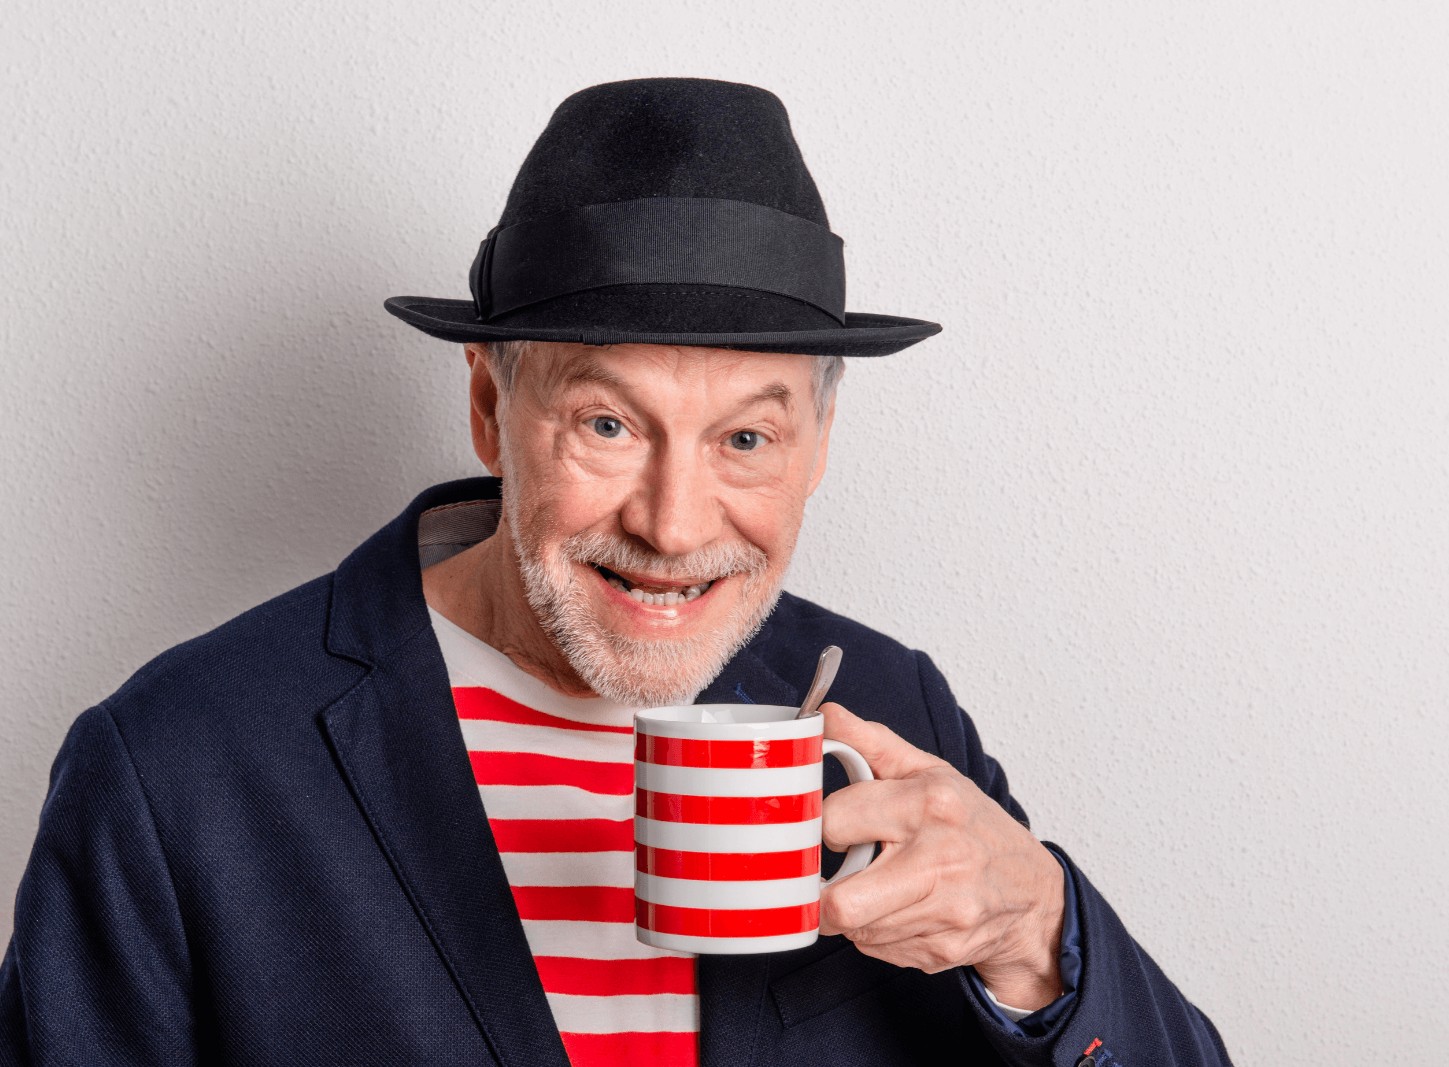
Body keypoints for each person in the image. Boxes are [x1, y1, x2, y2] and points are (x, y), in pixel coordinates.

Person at [0, 78, 1231, 1066]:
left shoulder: (898, 709)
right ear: (490, 408)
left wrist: (1040, 932)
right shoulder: (178, 763)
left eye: (745, 437)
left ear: (816, 448)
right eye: (607, 425)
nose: (672, 519)